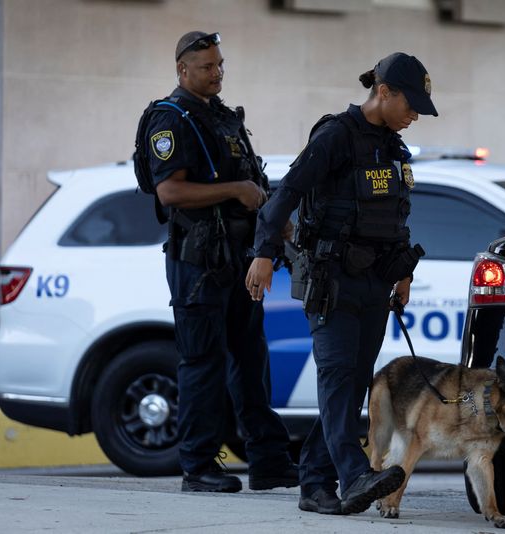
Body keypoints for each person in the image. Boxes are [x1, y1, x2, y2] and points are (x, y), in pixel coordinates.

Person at [245, 52, 437, 515]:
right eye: (411, 105)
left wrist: (404, 272)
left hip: (375, 282)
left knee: (352, 388)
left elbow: (397, 215)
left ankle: (314, 483)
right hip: (331, 280)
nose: (414, 116)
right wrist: (264, 254)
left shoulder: (394, 147)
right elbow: (284, 194)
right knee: (335, 381)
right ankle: (353, 476)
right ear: (384, 92)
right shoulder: (335, 136)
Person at [145, 30, 297, 493]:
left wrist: (274, 218)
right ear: (182, 70)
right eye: (207, 66)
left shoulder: (223, 119)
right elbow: (169, 191)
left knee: (251, 359)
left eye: (220, 65)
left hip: (238, 256)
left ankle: (268, 461)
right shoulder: (169, 120)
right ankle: (198, 466)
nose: (217, 73)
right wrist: (235, 191)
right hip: (198, 261)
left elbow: (253, 181)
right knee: (202, 362)